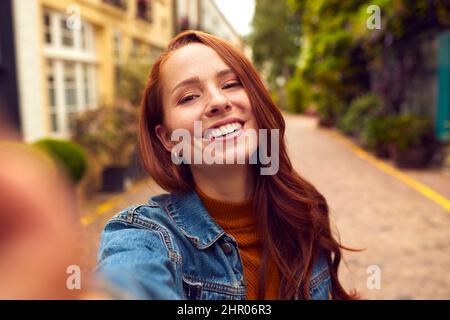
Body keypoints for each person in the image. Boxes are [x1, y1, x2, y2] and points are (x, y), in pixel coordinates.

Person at [96, 30, 357, 300]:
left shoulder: (304, 212)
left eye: (231, 84)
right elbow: (127, 283)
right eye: (188, 97)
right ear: (167, 138)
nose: (219, 102)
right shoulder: (144, 234)